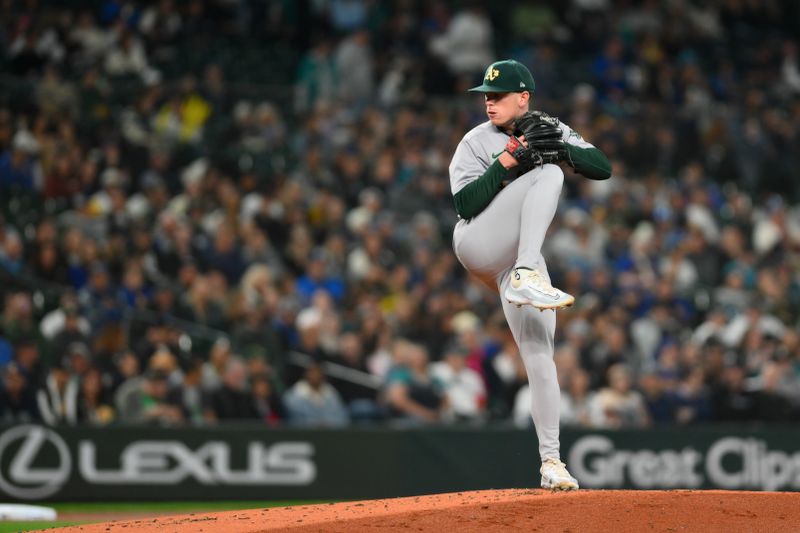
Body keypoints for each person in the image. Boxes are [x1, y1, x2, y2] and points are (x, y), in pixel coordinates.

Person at [449, 59, 611, 490]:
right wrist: (509, 158)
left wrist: (562, 147)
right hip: (478, 243)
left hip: (520, 256)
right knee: (549, 174)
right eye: (485, 95)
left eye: (498, 95)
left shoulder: (549, 125)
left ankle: (552, 462)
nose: (488, 102)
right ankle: (525, 270)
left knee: (540, 355)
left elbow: (602, 166)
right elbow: (465, 205)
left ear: (524, 97)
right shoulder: (474, 141)